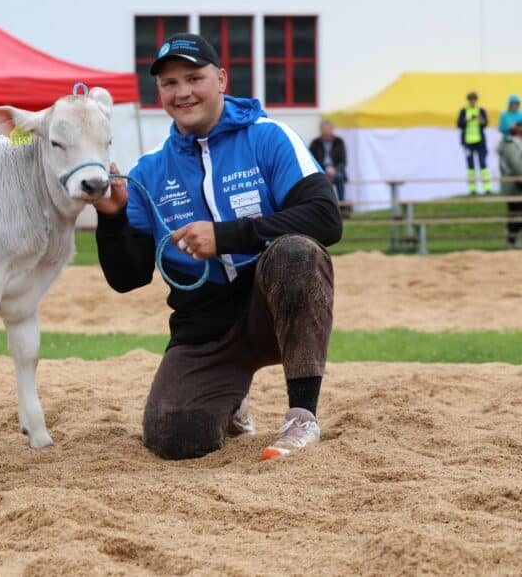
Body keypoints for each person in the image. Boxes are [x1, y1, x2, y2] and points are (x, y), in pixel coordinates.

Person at [93, 33, 342, 462]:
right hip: (204, 324)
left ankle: (302, 416)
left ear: (222, 79)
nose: (183, 92)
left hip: (272, 306)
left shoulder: (268, 137)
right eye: (170, 83)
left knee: (297, 253)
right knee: (174, 439)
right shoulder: (150, 168)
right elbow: (127, 277)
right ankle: (233, 401)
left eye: (194, 77)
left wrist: (225, 235)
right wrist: (111, 217)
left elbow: (325, 217)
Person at [457, 91, 492, 195]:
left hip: (480, 142)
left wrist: (479, 118)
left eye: (474, 99)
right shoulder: (464, 111)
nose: (472, 101)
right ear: (468, 100)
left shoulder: (481, 110)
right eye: (470, 99)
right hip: (468, 142)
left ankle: (487, 188)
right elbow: (459, 124)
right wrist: (466, 120)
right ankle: (472, 189)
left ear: (476, 100)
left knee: (483, 163)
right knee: (470, 166)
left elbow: (485, 123)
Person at [309, 118, 347, 204]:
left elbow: (343, 162)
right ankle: (323, 203)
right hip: (321, 169)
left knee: (339, 177)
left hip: (336, 170)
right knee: (320, 179)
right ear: (320, 130)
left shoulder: (339, 142)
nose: (326, 131)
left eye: (328, 129)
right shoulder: (315, 143)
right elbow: (311, 160)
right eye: (324, 129)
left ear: (332, 129)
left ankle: (342, 203)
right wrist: (325, 168)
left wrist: (334, 169)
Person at [497, 123, 522, 249]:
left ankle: (511, 240)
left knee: (516, 214)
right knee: (515, 213)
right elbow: (517, 166)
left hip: (517, 185)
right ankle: (510, 240)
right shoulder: (511, 146)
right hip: (514, 186)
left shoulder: (515, 144)